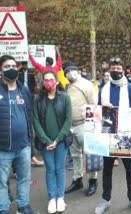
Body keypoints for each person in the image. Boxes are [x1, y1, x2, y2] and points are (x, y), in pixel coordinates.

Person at [95, 57, 131, 214]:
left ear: (124, 70)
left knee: (130, 169)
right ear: (109, 71)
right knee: (107, 169)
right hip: (108, 134)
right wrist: (103, 108)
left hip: (127, 135)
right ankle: (105, 199)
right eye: (113, 68)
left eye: (118, 68)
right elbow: (97, 111)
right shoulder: (103, 89)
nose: (116, 71)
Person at [33, 70, 72, 213]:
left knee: (60, 169)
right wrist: (46, 140)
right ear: (43, 82)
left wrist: (58, 139)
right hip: (45, 143)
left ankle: (60, 197)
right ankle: (52, 198)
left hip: (61, 141)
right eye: (46, 79)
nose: (48, 82)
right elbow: (36, 121)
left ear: (56, 81)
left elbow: (68, 120)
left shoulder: (65, 97)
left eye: (51, 79)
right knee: (50, 170)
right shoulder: (38, 99)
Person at [0, 55, 34, 214]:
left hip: (23, 146)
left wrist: (31, 141)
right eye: (7, 66)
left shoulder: (24, 90)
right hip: (3, 147)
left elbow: (29, 115)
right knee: (1, 182)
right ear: (1, 70)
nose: (11, 68)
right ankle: (3, 208)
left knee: (24, 178)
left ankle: (23, 205)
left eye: (13, 65)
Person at [63, 62, 99, 197]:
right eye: (67, 71)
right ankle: (77, 179)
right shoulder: (67, 86)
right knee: (75, 155)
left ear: (77, 70)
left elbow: (93, 103)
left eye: (72, 70)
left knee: (90, 153)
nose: (70, 73)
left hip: (84, 124)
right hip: (70, 125)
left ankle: (93, 180)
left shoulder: (86, 84)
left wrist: (91, 124)